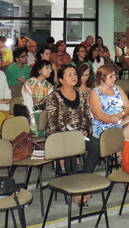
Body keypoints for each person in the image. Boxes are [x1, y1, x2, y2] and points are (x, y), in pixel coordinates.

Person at [46, 64, 100, 207]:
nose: (74, 77)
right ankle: (76, 191)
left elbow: (87, 117)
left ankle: (82, 180)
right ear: (62, 80)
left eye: (75, 74)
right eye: (69, 75)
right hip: (60, 135)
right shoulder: (54, 96)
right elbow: (53, 120)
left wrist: (85, 129)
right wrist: (71, 134)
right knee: (72, 146)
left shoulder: (81, 95)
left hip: (79, 134)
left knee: (97, 146)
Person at [89, 65, 129, 193]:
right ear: (102, 78)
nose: (115, 78)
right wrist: (118, 120)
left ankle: (118, 148)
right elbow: (98, 115)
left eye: (114, 75)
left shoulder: (118, 89)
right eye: (111, 76)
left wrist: (120, 115)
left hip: (120, 124)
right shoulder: (95, 92)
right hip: (104, 127)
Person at [22, 60, 53, 126]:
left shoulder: (49, 86)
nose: (50, 70)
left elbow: (50, 104)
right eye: (47, 68)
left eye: (50, 68)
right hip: (30, 115)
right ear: (39, 70)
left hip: (44, 115)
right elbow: (28, 106)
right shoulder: (29, 84)